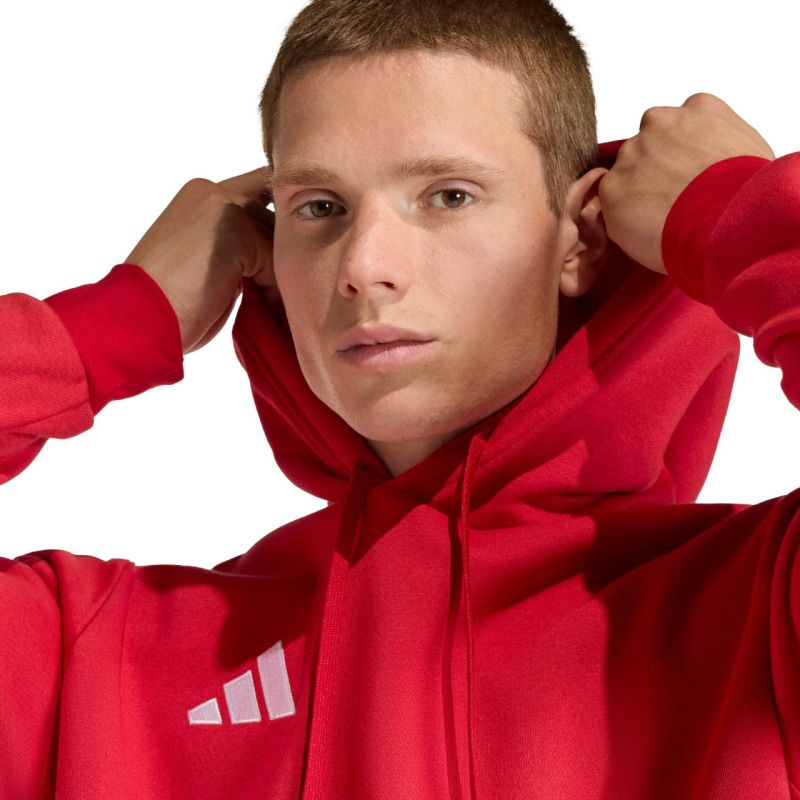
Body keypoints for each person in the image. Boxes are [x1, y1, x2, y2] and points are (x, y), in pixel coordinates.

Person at [1, 0, 797, 796]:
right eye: (320, 207)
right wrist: (111, 326)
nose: (363, 266)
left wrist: (736, 212)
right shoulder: (95, 660)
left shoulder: (756, 617)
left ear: (581, 240)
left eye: (448, 195)